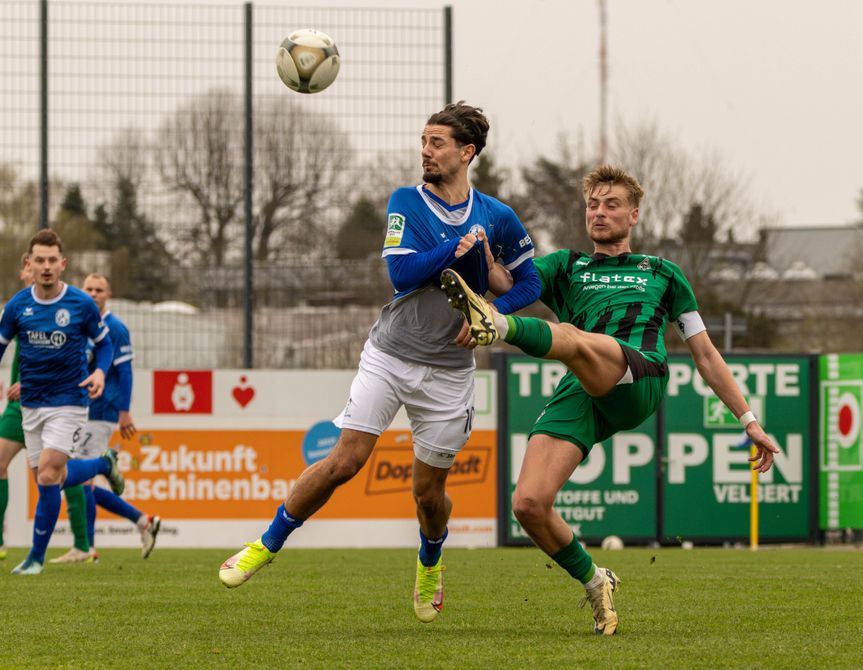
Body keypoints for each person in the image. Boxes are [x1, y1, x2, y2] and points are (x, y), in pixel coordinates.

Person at [219, 101, 542, 623]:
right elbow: (401, 273)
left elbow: (531, 282)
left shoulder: (497, 216)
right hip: (390, 355)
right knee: (344, 461)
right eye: (423, 140)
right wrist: (458, 251)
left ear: (467, 152)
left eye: (437, 143)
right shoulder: (406, 202)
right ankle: (265, 544)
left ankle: (430, 562)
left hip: (449, 374)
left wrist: (491, 311)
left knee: (427, 493)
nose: (425, 151)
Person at [440, 164, 779, 635]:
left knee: (573, 336)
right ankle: (596, 580)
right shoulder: (565, 266)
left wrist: (748, 420)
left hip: (639, 374)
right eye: (592, 204)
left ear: (634, 214)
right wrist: (477, 254)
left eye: (611, 204)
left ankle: (495, 328)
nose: (599, 212)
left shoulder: (663, 273)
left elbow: (704, 352)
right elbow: (504, 282)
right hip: (582, 384)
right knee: (529, 505)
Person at [0, 229, 125, 575]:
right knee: (51, 477)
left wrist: (99, 372)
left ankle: (35, 559)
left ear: (62, 264)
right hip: (32, 405)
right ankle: (102, 464)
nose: (46, 266)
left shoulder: (80, 304)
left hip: (70, 401)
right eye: (39, 260)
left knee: (50, 473)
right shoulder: (17, 306)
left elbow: (104, 345)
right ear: (29, 263)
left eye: (52, 260)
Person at [50, 273, 161, 564]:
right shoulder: (83, 325)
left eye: (99, 289)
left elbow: (125, 372)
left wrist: (124, 411)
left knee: (77, 478)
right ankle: (141, 520)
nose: (93, 293)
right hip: (79, 408)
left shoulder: (115, 328)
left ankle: (86, 548)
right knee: (78, 480)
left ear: (108, 293)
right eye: (88, 288)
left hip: (102, 411)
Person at [0, 254, 33, 560]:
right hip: (15, 408)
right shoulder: (16, 308)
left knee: (58, 475)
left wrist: (31, 383)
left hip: (48, 404)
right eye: (31, 266)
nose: (37, 271)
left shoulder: (64, 308)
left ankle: (83, 544)